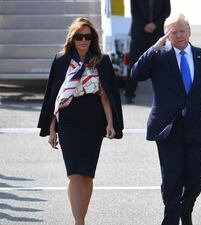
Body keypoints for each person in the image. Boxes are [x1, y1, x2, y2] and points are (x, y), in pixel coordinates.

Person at [131, 13, 201, 225]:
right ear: (166, 35)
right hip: (168, 127)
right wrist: (154, 48)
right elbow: (136, 74)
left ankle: (185, 210)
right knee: (172, 179)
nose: (178, 35)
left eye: (182, 30)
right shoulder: (159, 57)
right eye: (173, 32)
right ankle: (171, 220)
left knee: (195, 179)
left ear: (189, 31)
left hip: (197, 126)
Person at [37, 17, 123, 225]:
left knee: (87, 175)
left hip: (94, 120)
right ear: (72, 38)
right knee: (74, 173)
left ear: (92, 38)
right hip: (68, 120)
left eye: (87, 36)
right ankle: (78, 221)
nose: (84, 40)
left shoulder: (102, 60)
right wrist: (52, 128)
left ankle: (81, 217)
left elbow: (106, 95)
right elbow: (54, 97)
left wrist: (110, 124)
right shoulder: (61, 60)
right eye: (79, 36)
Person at [125, 0, 171, 103]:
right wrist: (144, 26)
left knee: (161, 63)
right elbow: (134, 12)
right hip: (139, 32)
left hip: (157, 32)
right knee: (134, 62)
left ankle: (165, 93)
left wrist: (155, 24)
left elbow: (166, 11)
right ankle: (129, 93)